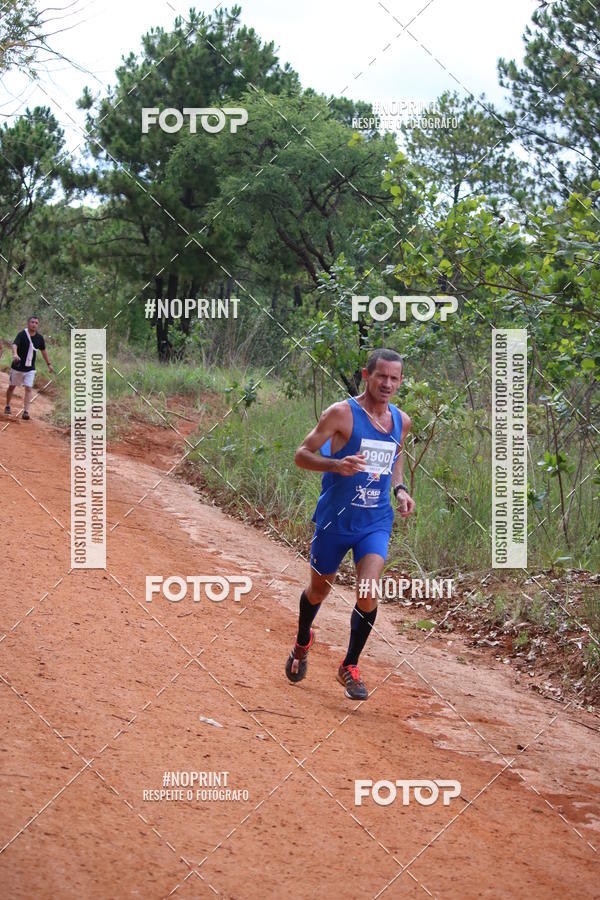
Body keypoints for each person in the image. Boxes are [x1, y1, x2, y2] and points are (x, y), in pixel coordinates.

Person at [285, 348, 416, 700]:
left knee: (369, 592)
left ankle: (350, 665)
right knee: (319, 591)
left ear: (401, 381)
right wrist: (335, 465)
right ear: (366, 375)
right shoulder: (341, 414)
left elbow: (396, 455)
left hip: (375, 520)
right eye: (381, 377)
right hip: (335, 520)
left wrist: (400, 489)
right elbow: (301, 454)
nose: (388, 384)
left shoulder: (401, 420)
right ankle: (303, 640)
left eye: (394, 378)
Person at [4, 316, 53, 420]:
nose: (34, 324)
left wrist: (48, 364)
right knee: (12, 387)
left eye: (36, 323)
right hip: (17, 367)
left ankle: (26, 411)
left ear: (37, 325)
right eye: (32, 322)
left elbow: (43, 351)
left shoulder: (39, 338)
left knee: (28, 388)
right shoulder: (22, 334)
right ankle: (7, 405)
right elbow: (14, 345)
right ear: (28, 323)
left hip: (30, 368)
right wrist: (15, 354)